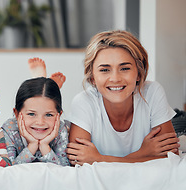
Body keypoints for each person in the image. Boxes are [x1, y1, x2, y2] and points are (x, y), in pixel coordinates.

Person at [66, 30, 179, 165]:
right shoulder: (83, 102)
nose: (115, 79)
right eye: (104, 70)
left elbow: (171, 155)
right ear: (92, 78)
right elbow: (77, 161)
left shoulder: (152, 92)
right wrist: (144, 154)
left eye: (125, 68)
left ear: (138, 73)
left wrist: (99, 159)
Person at [1, 77, 70, 166]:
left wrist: (45, 147)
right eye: (31, 114)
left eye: (49, 115)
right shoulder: (10, 129)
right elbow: (8, 170)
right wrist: (32, 146)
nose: (40, 122)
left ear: (59, 115)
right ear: (17, 114)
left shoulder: (60, 129)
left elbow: (65, 172)